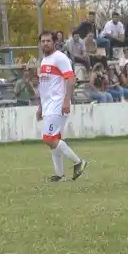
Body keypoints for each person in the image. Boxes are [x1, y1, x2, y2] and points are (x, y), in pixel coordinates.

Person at [37, 30, 86, 182]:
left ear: (54, 43)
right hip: (48, 105)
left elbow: (70, 79)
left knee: (48, 139)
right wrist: (40, 107)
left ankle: (79, 162)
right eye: (43, 41)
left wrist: (66, 100)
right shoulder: (44, 61)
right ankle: (60, 175)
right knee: (54, 140)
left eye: (48, 41)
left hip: (58, 103)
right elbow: (43, 86)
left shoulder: (60, 58)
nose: (45, 43)